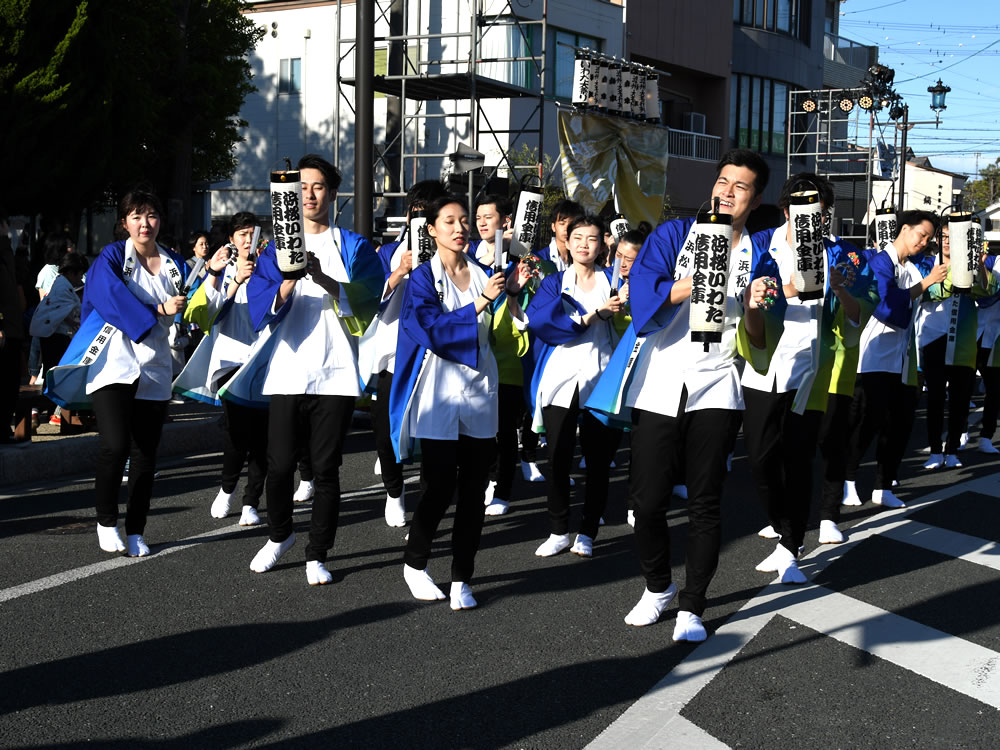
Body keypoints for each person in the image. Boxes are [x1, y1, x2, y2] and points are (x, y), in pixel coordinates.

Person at [588, 149, 781, 641]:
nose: (727, 191)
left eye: (740, 187)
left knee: (705, 501)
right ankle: (658, 587)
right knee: (647, 501)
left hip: (718, 384)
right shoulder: (676, 235)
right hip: (660, 380)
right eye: (722, 181)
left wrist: (757, 303)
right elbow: (643, 297)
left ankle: (694, 603)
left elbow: (760, 341)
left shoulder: (760, 256)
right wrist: (688, 286)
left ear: (754, 199)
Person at [242, 154, 382, 585]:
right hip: (289, 368)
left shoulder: (353, 245)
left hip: (336, 371)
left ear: (332, 194)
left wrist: (323, 278)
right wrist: (286, 280)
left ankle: (317, 553)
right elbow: (257, 305)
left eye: (318, 186)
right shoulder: (275, 249)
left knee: (325, 469)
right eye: (301, 187)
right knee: (280, 464)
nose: (309, 194)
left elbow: (368, 298)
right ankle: (279, 534)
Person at [45, 186, 189, 555]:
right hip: (112, 362)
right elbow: (107, 296)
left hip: (154, 364)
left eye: (151, 215)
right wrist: (157, 311)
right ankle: (106, 520)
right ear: (124, 223)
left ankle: (137, 529)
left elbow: (195, 302)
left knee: (145, 454)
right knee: (114, 444)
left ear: (161, 220)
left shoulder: (175, 263)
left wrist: (224, 277)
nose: (145, 223)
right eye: (136, 216)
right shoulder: (111, 257)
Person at [741, 174, 874, 570]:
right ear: (786, 211)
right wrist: (790, 288)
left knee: (798, 458)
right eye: (803, 210)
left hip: (811, 369)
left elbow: (862, 310)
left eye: (820, 211)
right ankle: (782, 524)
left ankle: (791, 543)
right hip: (762, 364)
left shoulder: (843, 255)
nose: (812, 219)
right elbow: (739, 296)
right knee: (761, 458)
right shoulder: (758, 244)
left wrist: (842, 291)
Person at [389, 195, 507, 610]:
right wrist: (481, 302)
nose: (460, 228)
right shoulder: (422, 278)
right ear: (432, 230)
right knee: (438, 487)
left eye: (464, 221)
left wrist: (516, 293)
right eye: (450, 221)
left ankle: (462, 577)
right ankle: (416, 563)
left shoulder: (484, 274)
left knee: (474, 492)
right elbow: (433, 330)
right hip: (438, 392)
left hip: (479, 392)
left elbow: (500, 331)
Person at [509, 214, 626, 559]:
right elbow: (546, 324)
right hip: (561, 378)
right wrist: (594, 316)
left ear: (604, 242)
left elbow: (632, 320)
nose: (583, 245)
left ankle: (588, 531)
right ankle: (558, 529)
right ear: (567, 241)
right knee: (558, 456)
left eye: (591, 238)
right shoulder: (555, 282)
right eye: (577, 238)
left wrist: (622, 308)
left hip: (602, 378)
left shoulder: (613, 280)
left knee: (598, 459)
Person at [361, 179, 449, 526]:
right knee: (385, 432)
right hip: (394, 358)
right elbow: (370, 300)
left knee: (431, 437)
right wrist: (399, 272)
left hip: (434, 358)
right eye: (416, 211)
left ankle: (428, 505)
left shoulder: (454, 253)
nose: (421, 218)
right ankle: (394, 492)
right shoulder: (387, 253)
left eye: (429, 213)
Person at [844, 210, 945, 508]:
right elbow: (886, 307)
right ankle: (848, 480)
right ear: (904, 229)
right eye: (921, 234)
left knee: (898, 425)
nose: (924, 242)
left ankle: (883, 485)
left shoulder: (913, 268)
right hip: (872, 356)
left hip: (901, 360)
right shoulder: (878, 262)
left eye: (928, 238)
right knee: (866, 423)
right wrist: (925, 285)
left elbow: (927, 299)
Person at [175, 211, 268, 527]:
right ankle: (227, 489)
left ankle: (251, 501)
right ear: (231, 239)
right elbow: (203, 314)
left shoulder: (270, 268)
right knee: (237, 435)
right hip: (230, 363)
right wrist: (234, 280)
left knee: (263, 440)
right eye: (241, 234)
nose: (247, 240)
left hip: (265, 362)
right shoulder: (222, 269)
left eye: (252, 234)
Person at [917, 222, 992, 470]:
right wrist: (948, 277)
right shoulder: (926, 264)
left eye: (953, 237)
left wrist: (979, 264)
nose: (948, 241)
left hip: (963, 340)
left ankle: (952, 449)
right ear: (937, 239)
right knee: (936, 397)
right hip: (933, 338)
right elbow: (926, 293)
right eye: (944, 236)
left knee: (960, 399)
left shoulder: (970, 265)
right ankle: (935, 450)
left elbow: (987, 292)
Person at [0, 213, 27, 445]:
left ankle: (3, 429)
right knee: (6, 382)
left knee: (10, 383)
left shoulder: (8, 251)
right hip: (4, 328)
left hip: (12, 327)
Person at [536, 199, 585, 272]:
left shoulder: (584, 257)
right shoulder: (541, 258)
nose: (566, 228)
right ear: (553, 226)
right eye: (562, 223)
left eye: (571, 224)